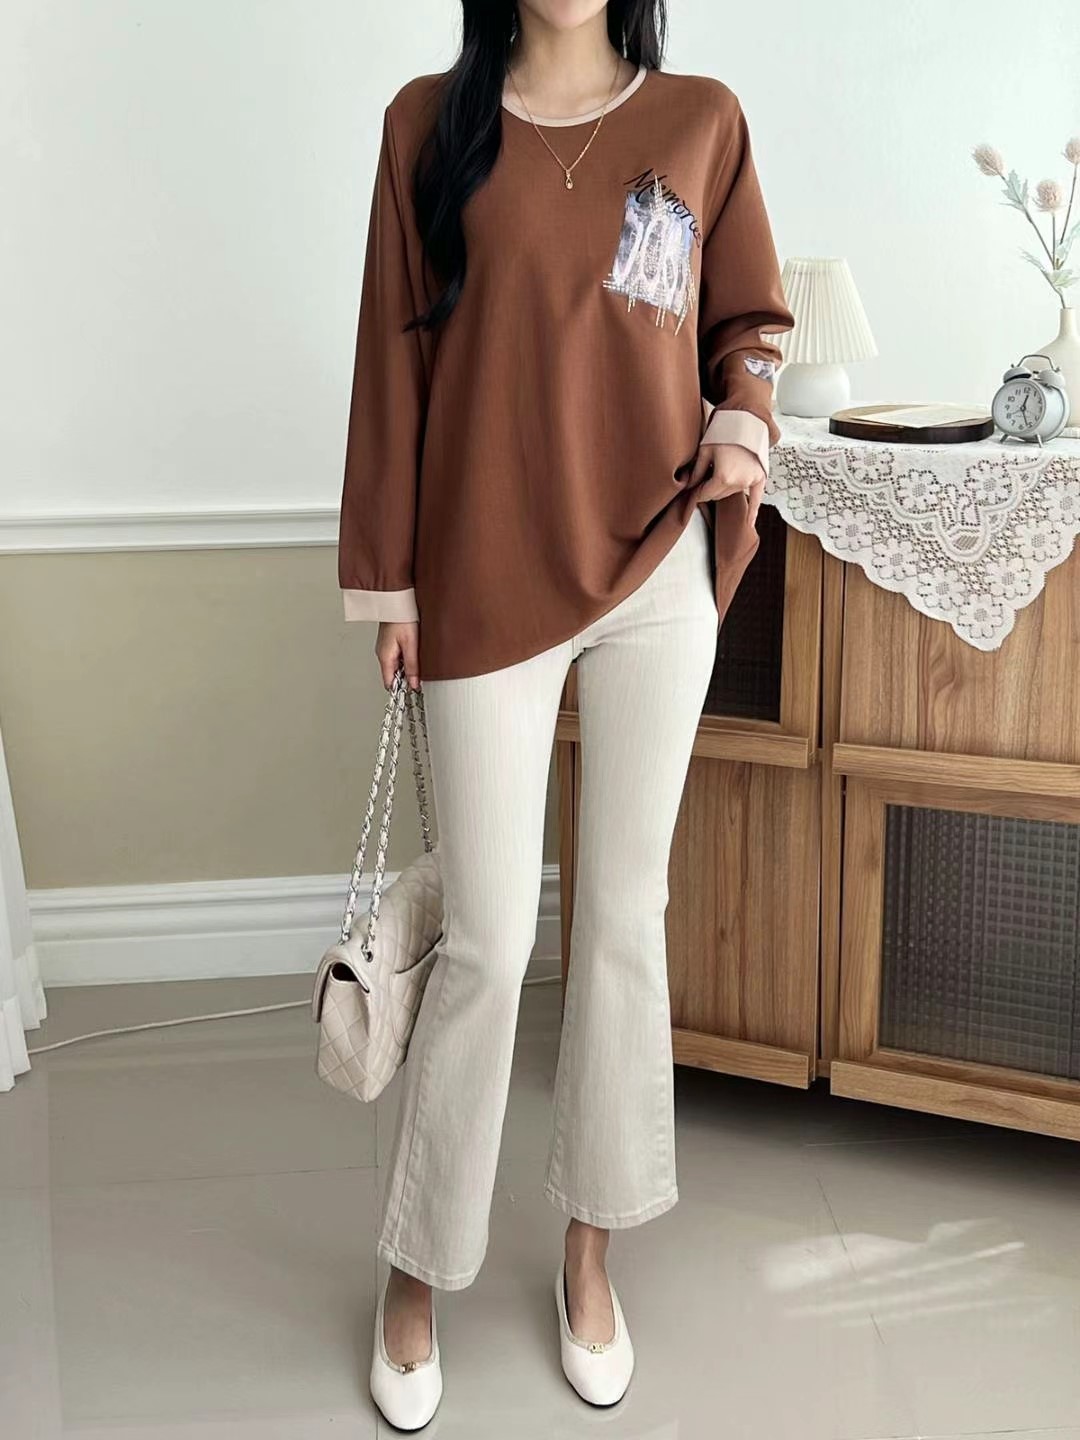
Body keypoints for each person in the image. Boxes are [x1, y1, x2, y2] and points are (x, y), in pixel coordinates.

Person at [337, 0, 792, 1426]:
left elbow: (750, 323)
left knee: (620, 920)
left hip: (656, 565)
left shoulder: (700, 119)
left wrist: (742, 423)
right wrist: (392, 584)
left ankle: (589, 1258)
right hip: (481, 566)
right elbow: (392, 362)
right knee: (488, 939)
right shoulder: (427, 126)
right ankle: (420, 1266)